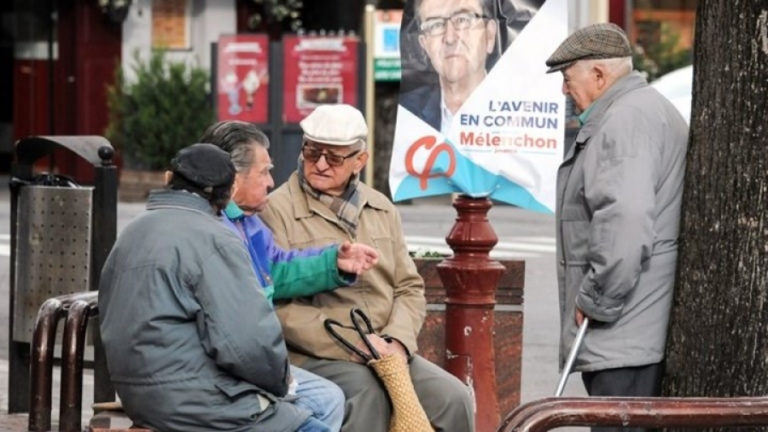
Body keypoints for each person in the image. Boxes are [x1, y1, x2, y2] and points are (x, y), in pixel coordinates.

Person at [260, 104, 475, 432]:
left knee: (453, 398)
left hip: (386, 347)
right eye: (312, 152)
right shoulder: (275, 210)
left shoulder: (380, 207)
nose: (319, 164)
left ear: (360, 160)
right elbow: (275, 304)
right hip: (317, 351)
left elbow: (408, 287)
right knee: (366, 395)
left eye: (333, 157)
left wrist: (397, 342)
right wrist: (354, 344)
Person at [98, 143, 322, 432]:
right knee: (314, 420)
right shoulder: (215, 239)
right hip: (199, 403)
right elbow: (249, 345)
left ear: (168, 179)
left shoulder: (132, 231)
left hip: (138, 395)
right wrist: (281, 383)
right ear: (228, 193)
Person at [199, 120, 381, 432]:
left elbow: (277, 269)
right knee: (332, 400)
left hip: (253, 360)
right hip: (223, 371)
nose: (271, 182)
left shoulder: (246, 221)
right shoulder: (213, 229)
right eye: (264, 172)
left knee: (328, 399)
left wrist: (333, 263)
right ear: (232, 178)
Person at [545, 22, 688, 418]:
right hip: (632, 327)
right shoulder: (637, 111)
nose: (564, 90)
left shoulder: (624, 121)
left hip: (624, 330)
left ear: (598, 74)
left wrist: (595, 299)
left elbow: (625, 221)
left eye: (567, 78)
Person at [400, 0, 498, 134]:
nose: (450, 38)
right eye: (435, 25)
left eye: (463, 20)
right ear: (424, 45)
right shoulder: (406, 114)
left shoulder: (522, 113)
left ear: (490, 35)